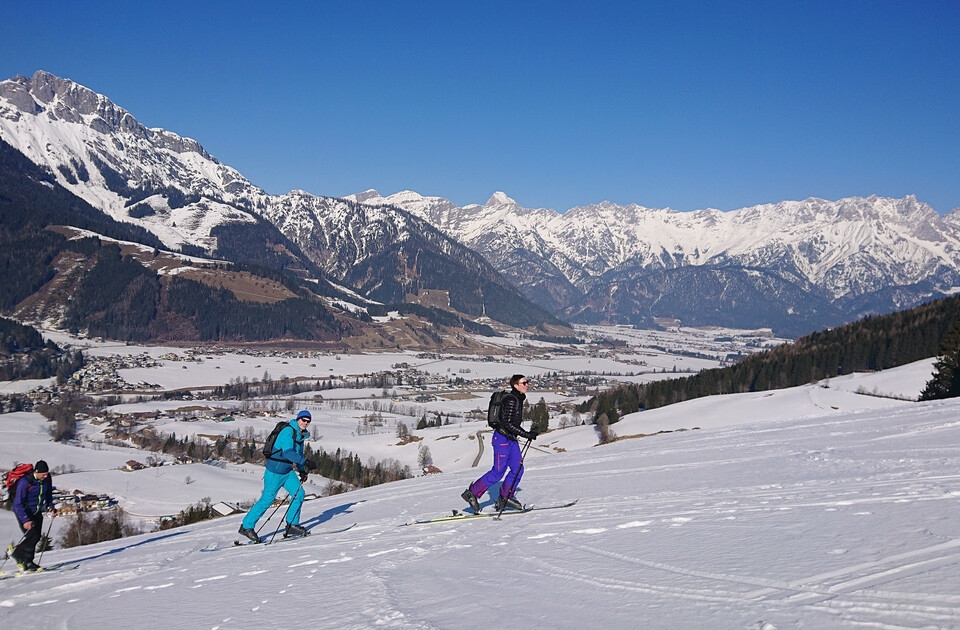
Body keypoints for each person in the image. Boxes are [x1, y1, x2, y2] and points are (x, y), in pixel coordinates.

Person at [462, 375, 539, 512]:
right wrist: (526, 434)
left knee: (518, 469)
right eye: (524, 383)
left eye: (527, 382)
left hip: (511, 439)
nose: (527, 385)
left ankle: (505, 497)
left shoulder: (518, 399)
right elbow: (507, 423)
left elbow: (512, 423)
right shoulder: (511, 399)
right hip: (502, 439)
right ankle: (472, 493)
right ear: (515, 385)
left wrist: (527, 432)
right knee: (498, 472)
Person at [238, 410, 317, 542]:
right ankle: (246, 526)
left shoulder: (300, 435)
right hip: (274, 471)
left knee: (299, 494)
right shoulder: (288, 431)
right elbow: (287, 453)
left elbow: (298, 455)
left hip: (286, 471)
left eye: (308, 421)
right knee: (267, 500)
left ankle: (292, 524)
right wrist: (306, 462)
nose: (305, 423)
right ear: (298, 419)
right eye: (303, 420)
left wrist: (302, 470)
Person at [9, 460, 58, 571]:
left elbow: (48, 493)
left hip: (36, 511)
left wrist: (51, 507)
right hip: (24, 512)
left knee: (35, 537)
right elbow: (17, 504)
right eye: (43, 474)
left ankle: (28, 562)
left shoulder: (47, 479)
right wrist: (25, 520)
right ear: (36, 472)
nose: (45, 476)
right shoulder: (25, 482)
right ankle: (17, 553)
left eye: (47, 473)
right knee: (33, 536)